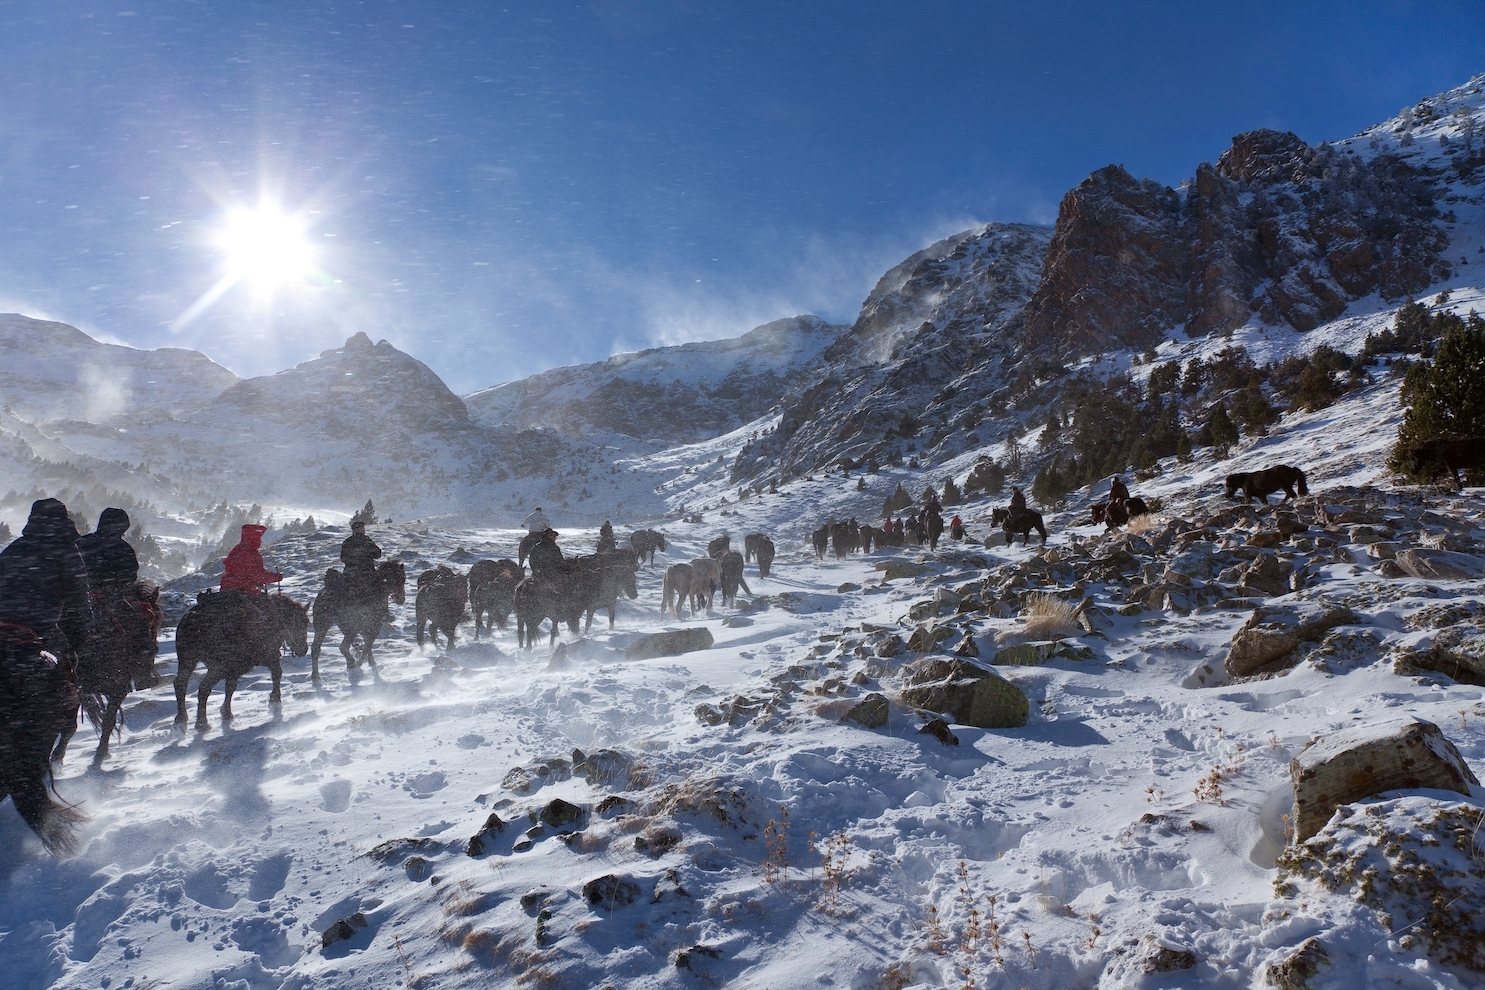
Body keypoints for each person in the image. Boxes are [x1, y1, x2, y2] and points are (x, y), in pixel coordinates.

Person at [0, 498, 94, 658]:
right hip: (43, 628)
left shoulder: (16, 547)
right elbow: (78, 594)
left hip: (3, 623)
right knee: (66, 664)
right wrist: (81, 632)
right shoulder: (66, 551)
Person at [220, 524, 282, 594]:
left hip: (229, 588)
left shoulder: (238, 548)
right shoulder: (250, 552)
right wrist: (276, 577)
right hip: (243, 589)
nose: (260, 541)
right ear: (253, 538)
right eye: (258, 538)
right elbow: (257, 575)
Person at [340, 519, 383, 603]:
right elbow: (378, 554)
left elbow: (343, 558)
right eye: (361, 528)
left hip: (351, 573)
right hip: (366, 572)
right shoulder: (366, 541)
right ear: (355, 529)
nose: (363, 529)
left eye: (363, 527)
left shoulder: (348, 542)